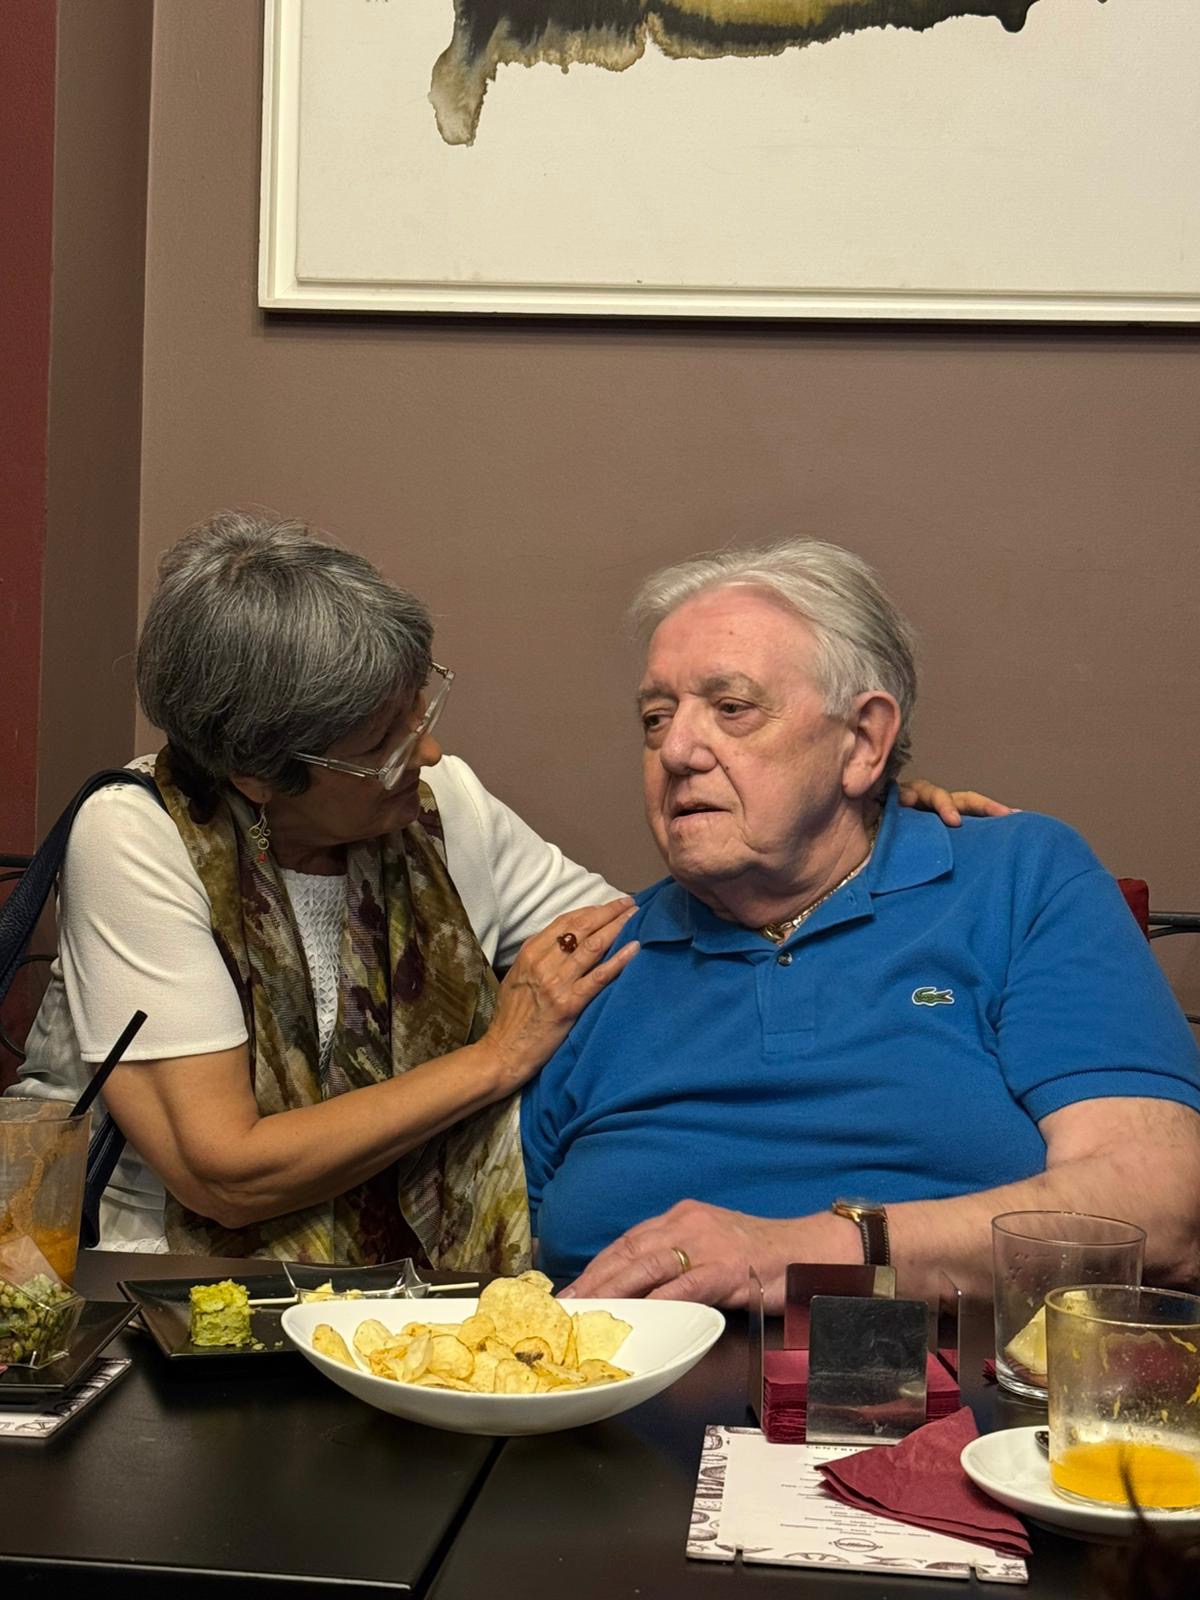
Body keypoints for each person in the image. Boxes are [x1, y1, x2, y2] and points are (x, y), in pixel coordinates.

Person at [14, 514, 1001, 1267]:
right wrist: (495, 1059)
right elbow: (224, 1173)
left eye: (420, 709)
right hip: (170, 1303)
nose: (428, 752)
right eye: (384, 744)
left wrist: (864, 820)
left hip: (408, 1296)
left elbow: (648, 943)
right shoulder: (138, 835)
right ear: (260, 777)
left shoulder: (445, 806)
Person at [520, 538, 1200, 1309]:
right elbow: (495, 1255)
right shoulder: (587, 963)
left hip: (952, 1380)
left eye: (731, 708)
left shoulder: (1020, 879)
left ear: (864, 742)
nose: (676, 750)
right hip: (615, 1380)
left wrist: (816, 1253)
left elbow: (1158, 1207)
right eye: (656, 717)